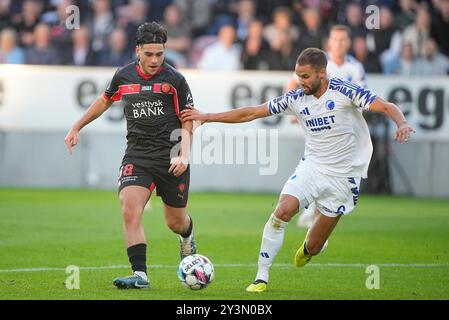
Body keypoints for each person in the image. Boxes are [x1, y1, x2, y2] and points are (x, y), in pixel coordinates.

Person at [180, 48, 415, 293]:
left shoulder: (345, 91)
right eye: (297, 75)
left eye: (305, 76)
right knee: (282, 210)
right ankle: (261, 277)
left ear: (322, 74)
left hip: (344, 177)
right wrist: (206, 117)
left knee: (313, 246)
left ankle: (310, 248)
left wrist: (402, 123)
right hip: (311, 167)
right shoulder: (295, 98)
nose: (300, 82)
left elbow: (387, 107)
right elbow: (251, 112)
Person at [64, 22, 197, 289]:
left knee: (175, 222)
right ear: (138, 50)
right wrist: (77, 125)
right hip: (137, 156)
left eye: (159, 54)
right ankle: (140, 275)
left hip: (171, 158)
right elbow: (104, 100)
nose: (155, 60)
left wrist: (183, 154)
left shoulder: (175, 80)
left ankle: (187, 236)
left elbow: (188, 119)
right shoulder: (123, 76)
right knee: (129, 210)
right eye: (149, 54)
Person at [288, 25, 367, 228]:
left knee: (330, 167)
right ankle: (312, 207)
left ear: (348, 43)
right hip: (317, 121)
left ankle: (318, 210)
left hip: (342, 128)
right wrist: (295, 109)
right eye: (335, 39)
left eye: (342, 40)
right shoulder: (319, 64)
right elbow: (292, 84)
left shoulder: (355, 67)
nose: (339, 44)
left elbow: (361, 97)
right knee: (315, 162)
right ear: (329, 42)